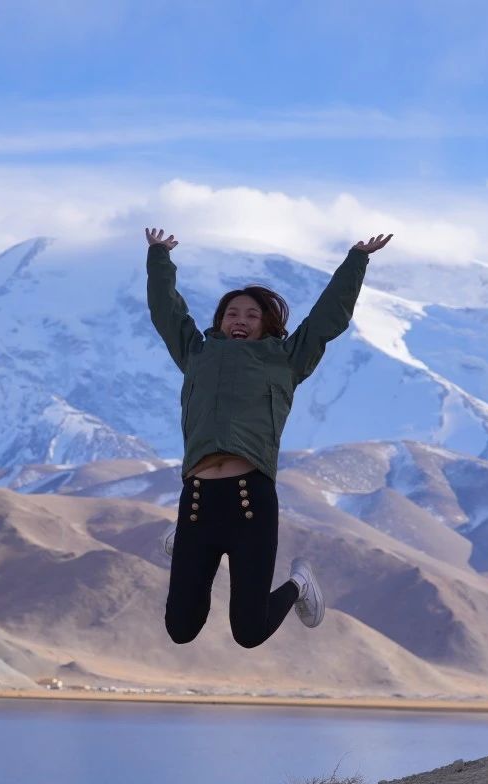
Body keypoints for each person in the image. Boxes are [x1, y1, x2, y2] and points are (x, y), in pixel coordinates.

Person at [145, 226, 392, 648]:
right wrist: (159, 258)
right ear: (220, 321)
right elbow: (166, 312)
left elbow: (326, 320)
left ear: (267, 324)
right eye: (231, 314)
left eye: (251, 315)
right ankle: (180, 538)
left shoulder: (286, 360)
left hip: (249, 502)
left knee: (249, 631)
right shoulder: (196, 353)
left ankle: (299, 584)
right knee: (180, 629)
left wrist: (356, 260)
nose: (239, 320)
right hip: (198, 501)